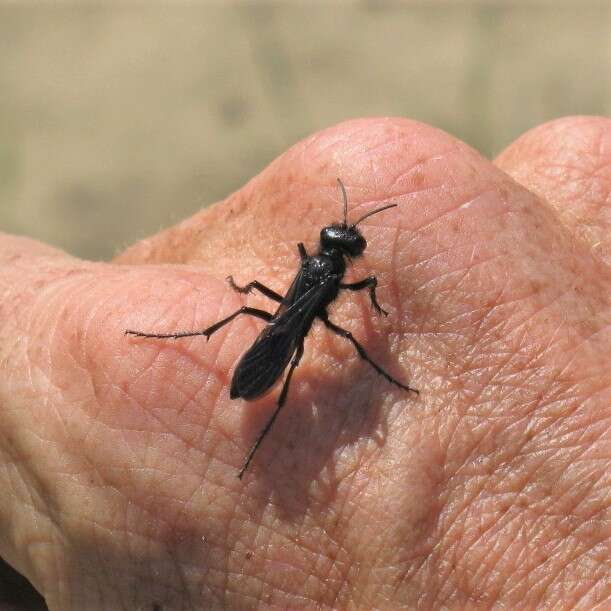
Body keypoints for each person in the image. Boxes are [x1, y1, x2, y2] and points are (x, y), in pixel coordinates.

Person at [0, 117, 608, 610]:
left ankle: (247, 397)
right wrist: (383, 364)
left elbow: (326, 290)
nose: (345, 247)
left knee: (264, 320)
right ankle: (255, 419)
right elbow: (339, 302)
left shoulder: (318, 266)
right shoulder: (331, 276)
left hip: (284, 322)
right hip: (280, 344)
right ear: (338, 253)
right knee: (286, 355)